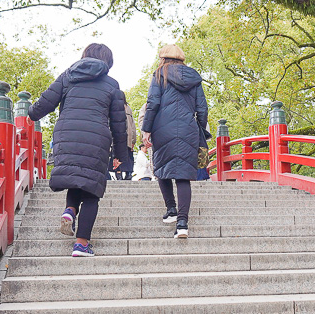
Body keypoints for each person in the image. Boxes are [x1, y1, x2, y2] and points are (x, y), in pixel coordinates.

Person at [29, 43, 128, 257]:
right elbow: (119, 124)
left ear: (84, 56)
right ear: (108, 63)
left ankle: (70, 210)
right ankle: (81, 244)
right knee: (91, 188)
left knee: (76, 175)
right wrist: (120, 154)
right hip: (96, 138)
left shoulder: (68, 75)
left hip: (67, 135)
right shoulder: (112, 84)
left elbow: (46, 102)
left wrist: (30, 113)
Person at [141, 44, 208, 238]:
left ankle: (171, 210)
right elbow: (202, 107)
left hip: (163, 128)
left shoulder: (159, 74)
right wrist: (200, 129)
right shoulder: (194, 78)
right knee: (183, 176)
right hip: (188, 128)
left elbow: (152, 103)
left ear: (163, 58)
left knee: (162, 169)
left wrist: (146, 129)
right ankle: (182, 223)